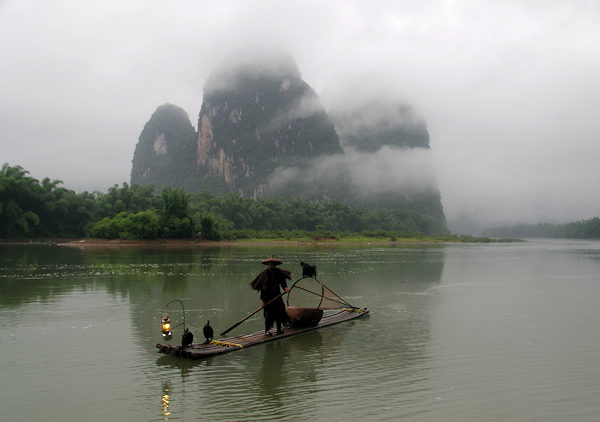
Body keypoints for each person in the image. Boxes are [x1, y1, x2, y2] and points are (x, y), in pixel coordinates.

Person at [250, 255, 291, 336]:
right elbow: (263, 289)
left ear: (275, 265)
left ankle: (279, 329)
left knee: (280, 313)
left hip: (277, 296)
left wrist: (285, 288)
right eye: (269, 264)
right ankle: (267, 330)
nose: (271, 266)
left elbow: (283, 282)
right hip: (267, 298)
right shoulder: (264, 274)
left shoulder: (278, 272)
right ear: (267, 265)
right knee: (268, 315)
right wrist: (263, 301)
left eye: (272, 265)